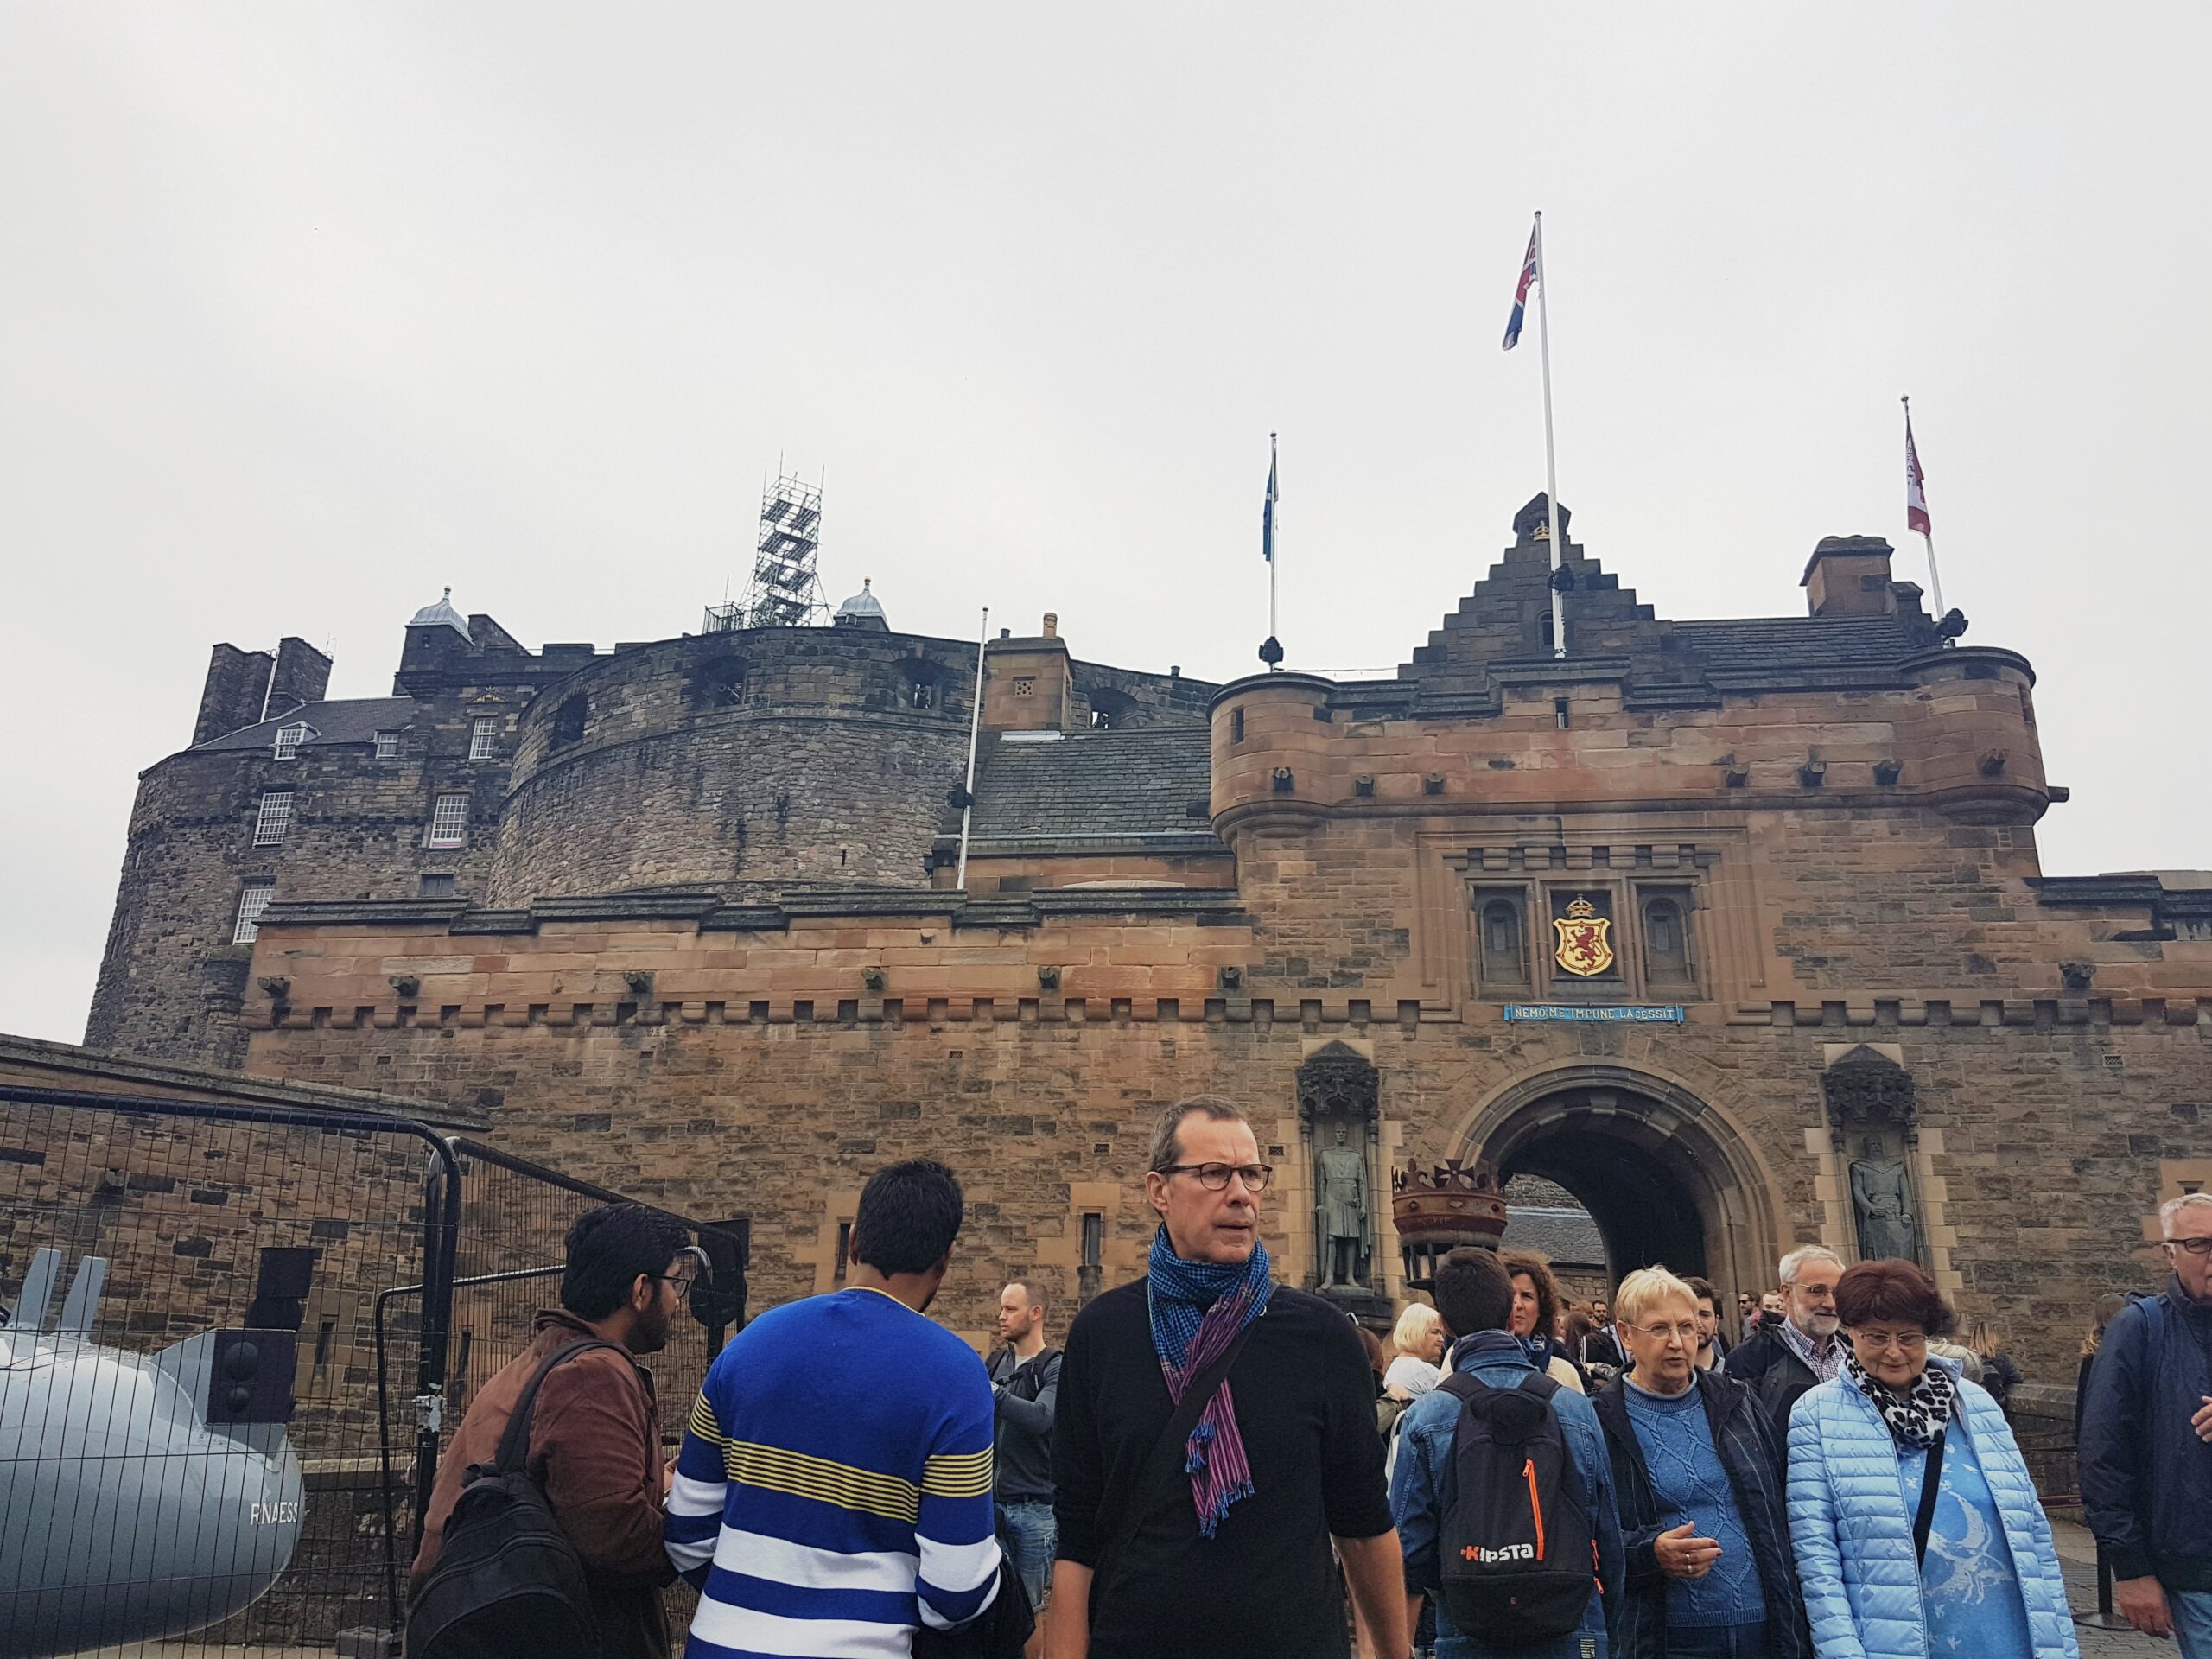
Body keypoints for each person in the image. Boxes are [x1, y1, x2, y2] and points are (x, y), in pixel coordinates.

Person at [1048, 1096, 1405, 1659]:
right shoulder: (1103, 1334)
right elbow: (1077, 1531)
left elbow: (1362, 1523)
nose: (1240, 1194)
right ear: (1159, 1190)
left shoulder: (1322, 1337)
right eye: (1214, 1173)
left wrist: (1392, 1652)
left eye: (1251, 1174)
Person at [666, 1160, 1003, 1656]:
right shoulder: (957, 1377)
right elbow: (956, 1593)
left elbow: (686, 1536)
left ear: (853, 1242)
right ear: (945, 1261)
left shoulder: (749, 1344)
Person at [414, 1203, 690, 1659]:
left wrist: (656, 1483)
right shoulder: (593, 1375)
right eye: (675, 1283)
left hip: (479, 1617)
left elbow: (563, 1491)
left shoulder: (542, 1357)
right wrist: (697, 1528)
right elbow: (612, 1537)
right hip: (564, 1632)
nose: (678, 1301)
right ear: (641, 1290)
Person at [1787, 1258, 2078, 1659]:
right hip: (1893, 1643)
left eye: (1908, 1337)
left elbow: (2032, 1532)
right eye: (1876, 1336)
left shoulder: (1975, 1404)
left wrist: (2059, 1642)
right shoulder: (1816, 1413)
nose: (1894, 1352)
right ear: (1849, 1332)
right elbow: (1816, 1555)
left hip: (2007, 1636)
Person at [1391, 1245, 1624, 1659]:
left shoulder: (1426, 1417)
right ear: (1508, 1313)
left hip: (1468, 1629)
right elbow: (1606, 1536)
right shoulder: (1573, 1407)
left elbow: (1408, 1548)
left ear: (1445, 1324)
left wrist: (1459, 1580)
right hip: (1571, 1625)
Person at [1593, 1267, 1808, 1659]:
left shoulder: (1738, 1400)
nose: (1676, 1342)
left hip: (1764, 1627)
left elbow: (1781, 1504)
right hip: (1667, 1638)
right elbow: (1584, 1537)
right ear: (1625, 1334)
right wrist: (1649, 1554)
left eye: (1686, 1327)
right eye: (1659, 1329)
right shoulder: (1601, 1420)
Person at [2080, 1192, 2212, 1655]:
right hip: (2198, 1572)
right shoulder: (2140, 1328)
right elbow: (2104, 1454)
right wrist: (2132, 1568)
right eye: (2199, 1244)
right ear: (2170, 1254)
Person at [990, 1279, 1063, 1649]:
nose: (1001, 1316)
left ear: (1035, 1314)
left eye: (1010, 1309)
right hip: (990, 1505)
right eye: (1001, 1308)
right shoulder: (996, 1362)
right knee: (990, 1607)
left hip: (1034, 1510)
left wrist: (992, 1393)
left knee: (1030, 1610)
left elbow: (1041, 1419)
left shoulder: (1055, 1366)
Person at [1726, 1246, 1845, 1437]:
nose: (1831, 1303)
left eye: (1838, 1292)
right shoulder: (1749, 1359)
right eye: (1817, 1291)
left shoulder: (1856, 1355)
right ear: (1788, 1293)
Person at [1500, 1247, 1587, 1393]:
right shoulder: (1470, 1359)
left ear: (1541, 1307)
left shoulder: (1563, 1372)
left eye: (1527, 1296)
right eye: (1510, 1294)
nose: (1517, 1305)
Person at [1963, 1321, 2023, 1414]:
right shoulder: (2002, 1358)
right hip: (1995, 1405)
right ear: (1994, 1337)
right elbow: (2017, 1378)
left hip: (1972, 1406)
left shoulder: (1966, 1358)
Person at [1686, 1276, 1731, 1370]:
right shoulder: (1661, 1374)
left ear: (1716, 1322)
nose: (1697, 1323)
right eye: (1690, 1315)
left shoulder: (1735, 1372)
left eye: (1704, 1315)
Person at [1583, 1296, 1628, 1376]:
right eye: (1598, 1311)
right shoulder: (1589, 1334)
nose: (1601, 1313)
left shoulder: (1613, 1331)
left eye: (1604, 1311)